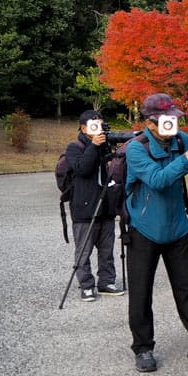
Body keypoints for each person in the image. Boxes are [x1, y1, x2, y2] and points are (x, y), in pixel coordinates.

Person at [125, 93, 188, 373]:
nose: (173, 124)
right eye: (166, 120)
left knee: (187, 288)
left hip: (177, 227)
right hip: (144, 230)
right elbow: (158, 180)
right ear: (150, 122)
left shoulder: (180, 140)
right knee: (141, 292)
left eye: (174, 119)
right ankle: (143, 348)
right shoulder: (136, 148)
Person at [65, 110, 123, 302]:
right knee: (84, 251)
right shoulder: (74, 147)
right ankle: (87, 286)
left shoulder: (104, 146)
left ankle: (106, 282)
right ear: (83, 128)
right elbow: (82, 169)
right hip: (84, 209)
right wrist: (94, 146)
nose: (99, 129)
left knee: (107, 250)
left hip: (105, 207)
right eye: (94, 125)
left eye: (101, 125)